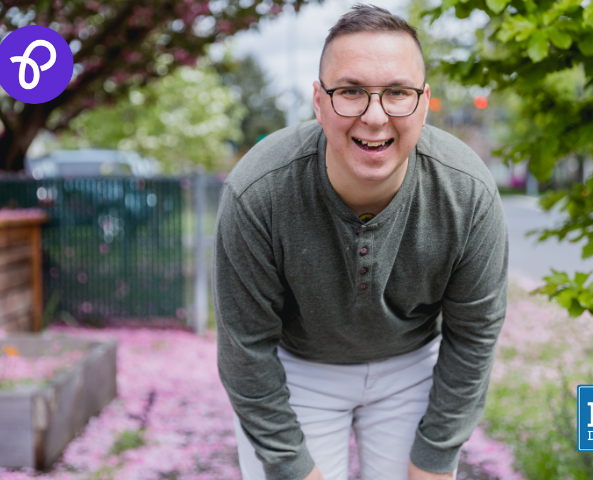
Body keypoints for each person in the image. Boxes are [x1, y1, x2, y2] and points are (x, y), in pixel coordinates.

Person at [212, 5, 509, 480]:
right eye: (350, 91)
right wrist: (291, 465)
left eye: (397, 93)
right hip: (298, 368)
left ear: (424, 99)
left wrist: (435, 455)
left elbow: (474, 333)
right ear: (318, 100)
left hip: (411, 364)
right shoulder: (258, 191)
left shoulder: (467, 192)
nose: (375, 117)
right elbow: (244, 346)